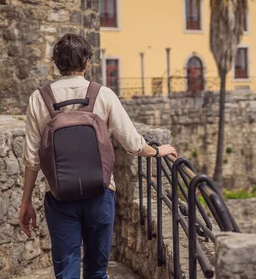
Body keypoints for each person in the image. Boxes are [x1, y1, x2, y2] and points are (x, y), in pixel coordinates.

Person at [19, 34, 177, 278]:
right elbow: (133, 144)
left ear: (56, 63)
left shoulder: (39, 98)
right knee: (97, 271)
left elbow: (32, 159)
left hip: (60, 198)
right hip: (100, 196)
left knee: (66, 271)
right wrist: (157, 151)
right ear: (87, 62)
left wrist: (26, 201)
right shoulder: (103, 95)